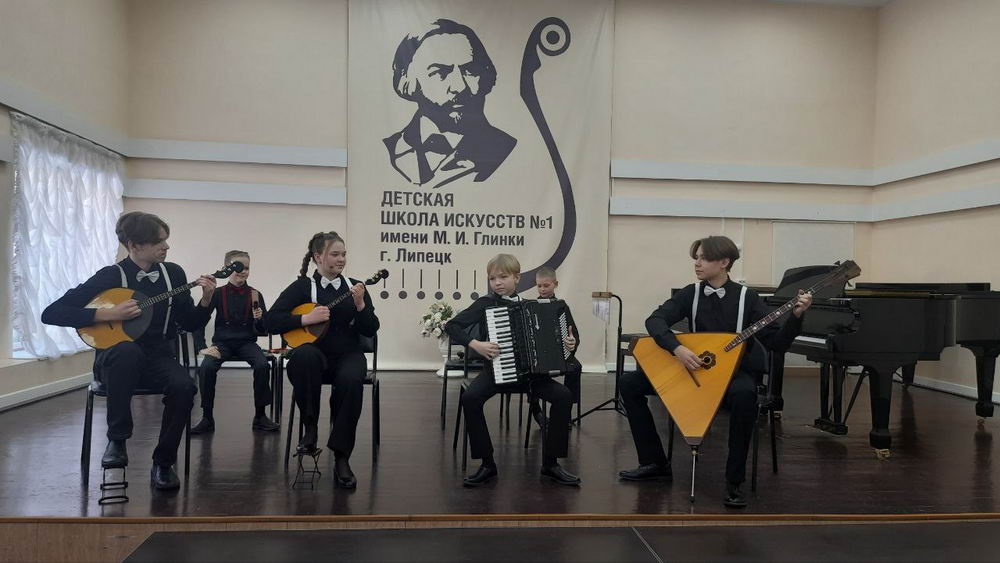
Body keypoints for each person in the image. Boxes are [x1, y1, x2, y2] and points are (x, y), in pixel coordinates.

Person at [617, 235, 812, 508]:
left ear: (724, 262)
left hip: (733, 376)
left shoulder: (747, 298)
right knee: (629, 384)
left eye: (703, 258)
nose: (697, 263)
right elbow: (655, 320)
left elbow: (777, 344)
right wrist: (677, 348)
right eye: (695, 258)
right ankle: (655, 462)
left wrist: (796, 317)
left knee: (745, 396)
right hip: (695, 371)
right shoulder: (691, 293)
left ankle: (734, 482)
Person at [41, 211, 216, 490]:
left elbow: (190, 323)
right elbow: (52, 313)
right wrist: (107, 314)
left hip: (158, 356)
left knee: (184, 386)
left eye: (166, 240)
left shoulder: (173, 274)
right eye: (159, 242)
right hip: (115, 361)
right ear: (134, 245)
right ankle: (117, 439)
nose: (166, 246)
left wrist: (206, 301)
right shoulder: (111, 275)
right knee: (127, 352)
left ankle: (163, 462)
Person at [445, 254, 580, 487]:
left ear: (517, 278)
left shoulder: (533, 306)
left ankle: (551, 463)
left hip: (531, 376)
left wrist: (570, 344)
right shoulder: (485, 304)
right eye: (492, 278)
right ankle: (487, 464)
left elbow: (566, 339)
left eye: (503, 277)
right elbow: (452, 326)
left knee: (563, 396)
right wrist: (476, 345)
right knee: (470, 398)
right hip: (496, 372)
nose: (497, 282)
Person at [264, 232, 379, 489]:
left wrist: (361, 305)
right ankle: (310, 428)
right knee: (303, 356)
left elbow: (371, 329)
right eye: (335, 254)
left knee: (351, 379)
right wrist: (305, 319)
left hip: (348, 353)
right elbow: (270, 321)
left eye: (344, 254)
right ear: (318, 257)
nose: (341, 259)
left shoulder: (355, 286)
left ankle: (341, 456)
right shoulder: (302, 287)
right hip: (314, 355)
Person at [384, 18, 516, 189]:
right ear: (409, 80)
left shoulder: (507, 150)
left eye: (470, 71)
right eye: (440, 72)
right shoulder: (387, 150)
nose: (459, 87)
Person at [191, 250, 279, 435]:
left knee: (262, 365)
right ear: (226, 268)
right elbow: (198, 321)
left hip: (247, 343)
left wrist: (259, 320)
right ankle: (207, 418)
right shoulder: (216, 293)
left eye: (246, 268)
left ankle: (260, 416)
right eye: (238, 267)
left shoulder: (255, 294)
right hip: (222, 343)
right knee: (206, 368)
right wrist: (202, 347)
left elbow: (262, 330)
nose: (243, 271)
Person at [529, 266, 582, 426]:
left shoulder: (561, 307)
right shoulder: (530, 306)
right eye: (539, 286)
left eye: (546, 285)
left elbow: (573, 333)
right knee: (533, 370)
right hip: (538, 355)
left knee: (576, 367)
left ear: (555, 284)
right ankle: (536, 410)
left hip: (559, 354)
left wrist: (572, 343)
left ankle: (565, 410)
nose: (542, 289)